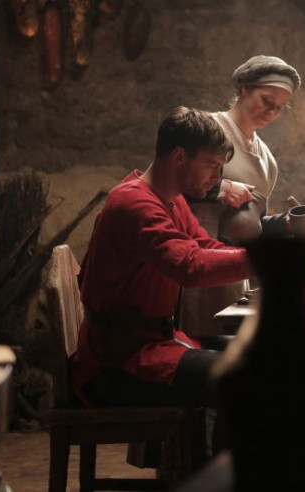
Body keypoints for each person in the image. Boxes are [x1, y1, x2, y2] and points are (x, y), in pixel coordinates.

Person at [71, 106, 252, 411]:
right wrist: (268, 260)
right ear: (179, 157)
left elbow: (205, 246)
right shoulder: (134, 203)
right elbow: (190, 266)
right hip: (117, 361)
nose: (217, 178)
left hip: (153, 344)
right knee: (242, 377)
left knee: (257, 358)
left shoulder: (172, 200)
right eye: (211, 166)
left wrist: (268, 254)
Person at [180, 55, 305, 334]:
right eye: (267, 101)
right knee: (199, 336)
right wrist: (219, 189)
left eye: (280, 107)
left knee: (231, 342)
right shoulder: (207, 129)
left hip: (235, 270)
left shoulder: (267, 160)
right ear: (245, 89)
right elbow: (169, 183)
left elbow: (251, 223)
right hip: (194, 260)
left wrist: (283, 224)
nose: (272, 112)